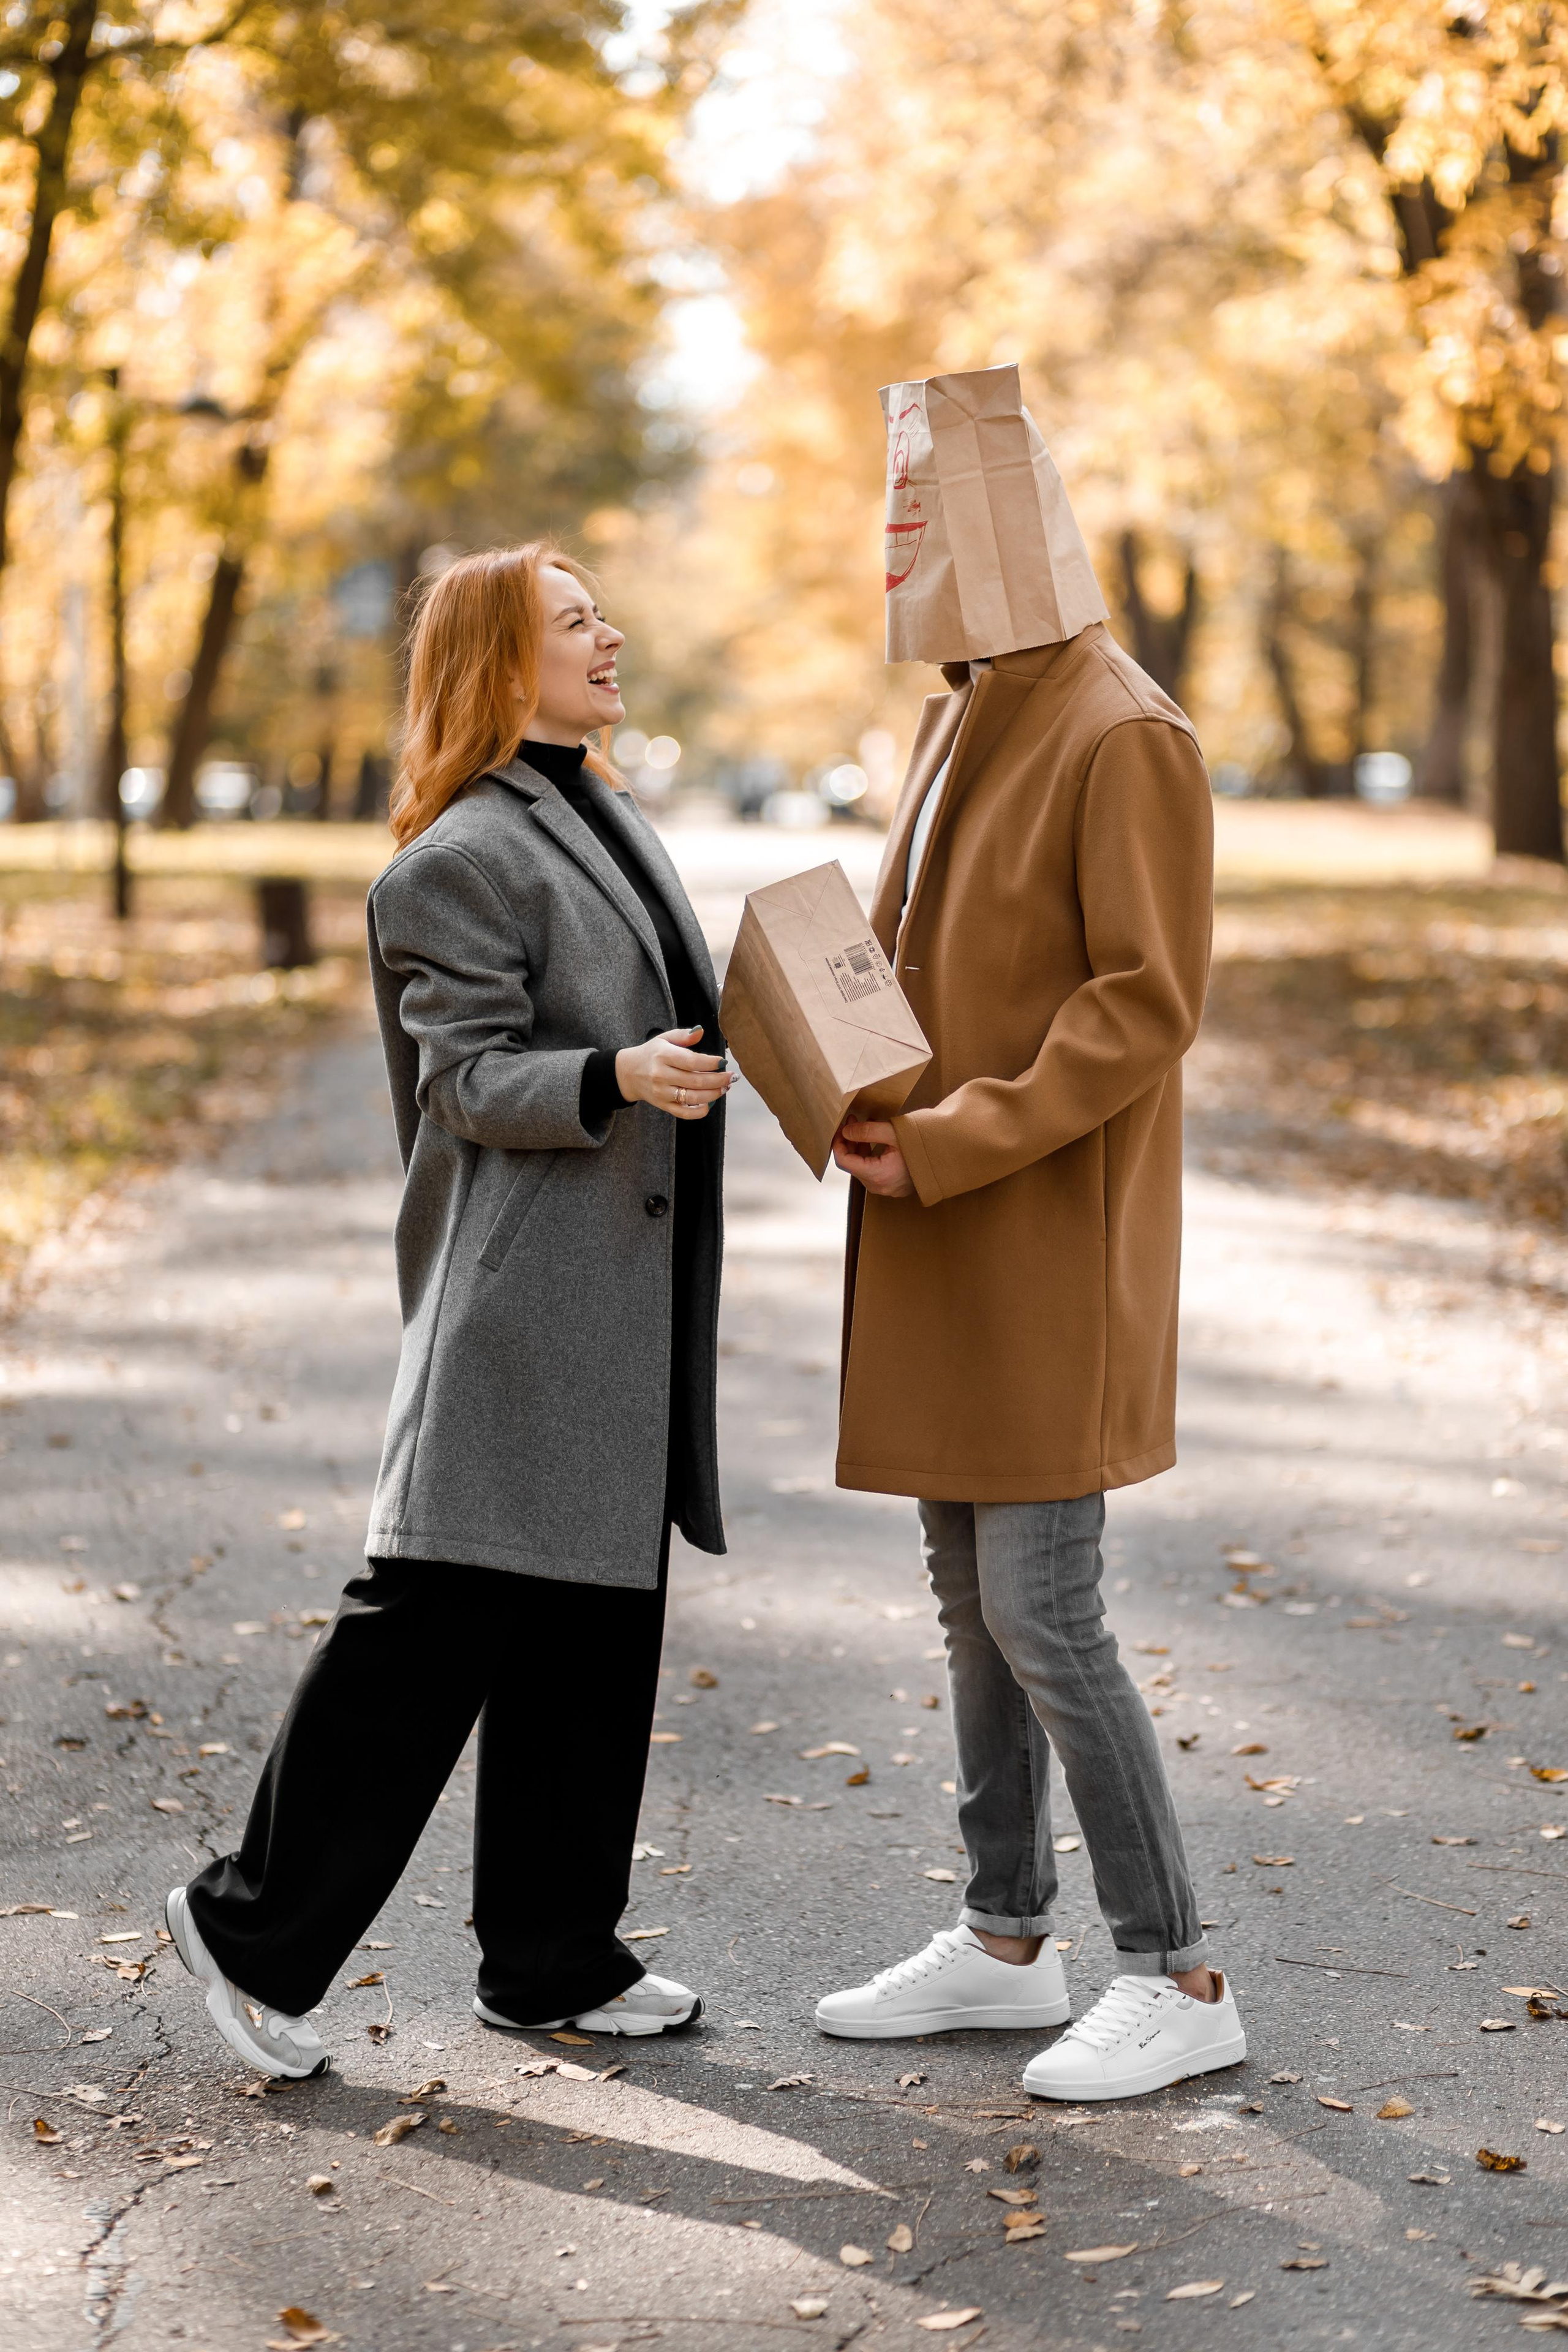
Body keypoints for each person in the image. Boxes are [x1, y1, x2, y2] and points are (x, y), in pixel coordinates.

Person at [163, 543, 731, 2078]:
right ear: (499, 658)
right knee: (427, 1633)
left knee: (591, 1635)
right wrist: (610, 1078)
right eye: (573, 619)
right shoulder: (455, 859)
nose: (609, 632)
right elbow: (461, 1081)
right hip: (521, 1308)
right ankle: (248, 1929)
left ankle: (550, 1960)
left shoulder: (598, 807)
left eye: (602, 610)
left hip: (616, 1299)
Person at [814, 366, 1245, 2101]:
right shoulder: (964, 706)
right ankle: (1007, 1940)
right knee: (966, 1601)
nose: (906, 541)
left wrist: (959, 1139)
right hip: (937, 1219)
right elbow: (920, 953)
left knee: (1042, 1608)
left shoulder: (1120, 727)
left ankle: (1180, 1967)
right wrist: (831, 1071)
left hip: (1041, 1229)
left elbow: (1148, 1004)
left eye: (929, 512)